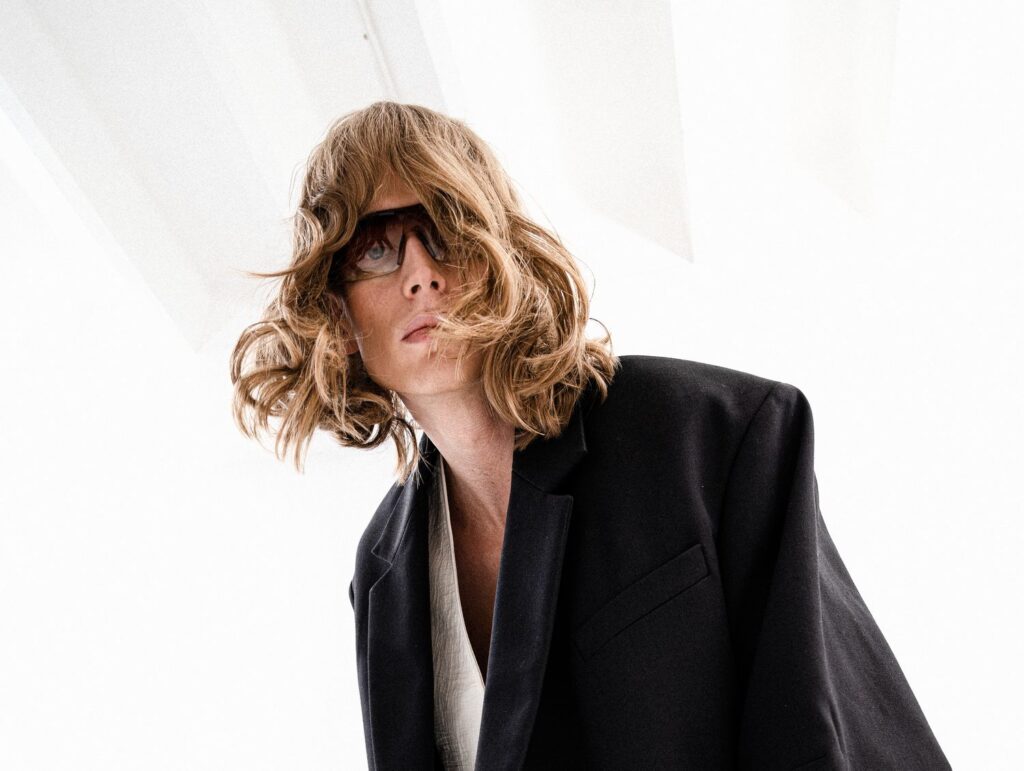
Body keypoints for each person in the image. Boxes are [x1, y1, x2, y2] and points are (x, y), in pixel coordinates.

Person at [230, 101, 950, 770]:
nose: (421, 273)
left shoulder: (712, 433)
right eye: (375, 250)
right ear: (338, 311)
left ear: (503, 253)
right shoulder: (381, 571)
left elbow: (841, 737)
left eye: (445, 228)